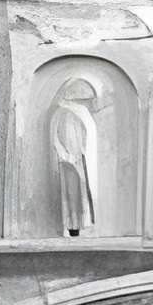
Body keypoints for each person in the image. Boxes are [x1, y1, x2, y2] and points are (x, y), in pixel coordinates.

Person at [51, 77, 103, 236]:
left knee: (80, 195)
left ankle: (79, 226)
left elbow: (85, 136)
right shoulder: (60, 113)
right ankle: (72, 227)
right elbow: (55, 138)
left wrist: (81, 153)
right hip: (67, 162)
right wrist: (66, 156)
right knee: (70, 196)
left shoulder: (79, 114)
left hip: (79, 160)